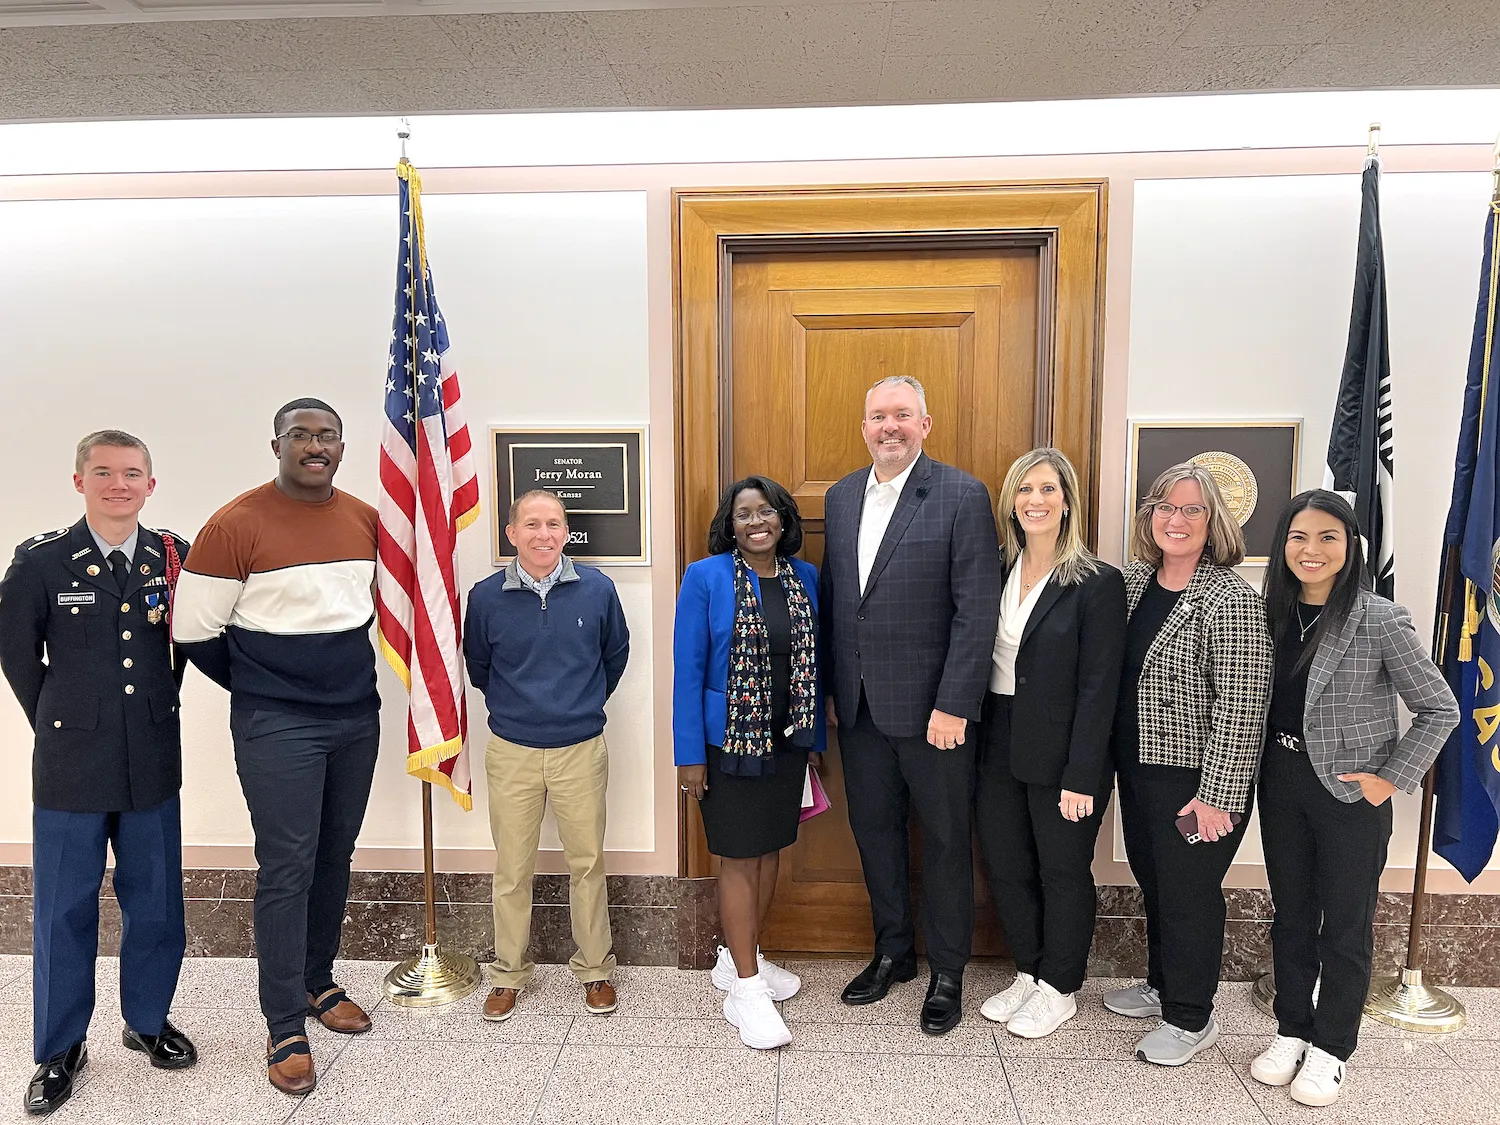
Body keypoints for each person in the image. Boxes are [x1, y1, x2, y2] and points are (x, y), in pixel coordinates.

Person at [171, 398, 379, 1096]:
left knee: (333, 853)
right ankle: (284, 1019)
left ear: (341, 448)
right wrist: (269, 683)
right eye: (300, 434)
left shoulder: (362, 517)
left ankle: (319, 982)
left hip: (356, 718)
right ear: (277, 444)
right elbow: (195, 632)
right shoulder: (235, 523)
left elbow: (368, 608)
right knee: (287, 864)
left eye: (326, 435)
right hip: (278, 724)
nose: (314, 445)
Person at [0, 431, 197, 1115]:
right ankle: (60, 1048)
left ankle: (147, 1021)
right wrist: (65, 718)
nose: (120, 484)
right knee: (62, 909)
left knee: (157, 902)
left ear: (151, 483)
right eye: (105, 472)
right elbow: (21, 658)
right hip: (70, 765)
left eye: (133, 473)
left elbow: (191, 642)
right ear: (79, 480)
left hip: (150, 758)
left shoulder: (173, 556)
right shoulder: (42, 560)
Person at [1250, 490, 1457, 1106]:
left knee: (1344, 924)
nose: (1310, 550)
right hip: (1280, 783)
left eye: (1327, 538)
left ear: (1350, 547)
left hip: (1349, 796)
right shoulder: (1269, 612)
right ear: (1283, 544)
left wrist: (1390, 779)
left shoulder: (1378, 618)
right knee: (1290, 916)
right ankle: (1291, 1029)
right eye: (1298, 537)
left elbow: (1438, 708)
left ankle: (1332, 1048)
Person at [820, 375, 1002, 1035]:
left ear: (925, 423)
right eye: (877, 416)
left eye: (901, 414)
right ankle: (893, 950)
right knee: (875, 834)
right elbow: (840, 604)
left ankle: (947, 969)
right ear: (864, 426)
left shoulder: (960, 494)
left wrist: (954, 703)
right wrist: (837, 691)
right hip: (862, 711)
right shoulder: (841, 497)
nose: (888, 426)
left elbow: (975, 609)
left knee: (949, 841)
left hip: (936, 717)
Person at [1105, 463, 1273, 1066]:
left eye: (1192, 510)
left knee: (1190, 892)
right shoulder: (1130, 584)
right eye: (1165, 507)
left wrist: (1218, 796)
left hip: (1198, 779)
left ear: (1214, 523)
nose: (1176, 519)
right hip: (1140, 767)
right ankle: (1161, 985)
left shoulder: (1230, 598)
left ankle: (1190, 1016)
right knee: (1156, 881)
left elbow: (1244, 703)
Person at [975, 448, 1127, 1039]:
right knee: (1008, 867)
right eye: (1024, 490)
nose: (1035, 501)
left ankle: (1060, 987)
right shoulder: (995, 568)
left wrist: (1082, 775)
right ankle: (1029, 972)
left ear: (1068, 501)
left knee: (1061, 871)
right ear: (1011, 502)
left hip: (1065, 749)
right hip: (997, 742)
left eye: (1047, 489)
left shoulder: (1097, 583)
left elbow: (1100, 689)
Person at [464, 490, 631, 1024]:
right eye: (531, 524)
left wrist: (577, 707)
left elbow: (615, 655)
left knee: (587, 864)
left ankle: (595, 970)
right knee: (512, 869)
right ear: (511, 534)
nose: (543, 534)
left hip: (580, 748)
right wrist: (521, 712)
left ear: (567, 532)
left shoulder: (598, 590)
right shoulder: (486, 597)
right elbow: (480, 666)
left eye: (554, 524)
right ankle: (508, 974)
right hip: (512, 750)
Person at [673, 477, 824, 1050]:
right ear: (730, 525)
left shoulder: (804, 578)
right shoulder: (705, 576)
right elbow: (687, 670)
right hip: (726, 743)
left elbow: (816, 658)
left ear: (783, 520)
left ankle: (744, 958)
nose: (756, 520)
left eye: (766, 511)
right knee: (737, 856)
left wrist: (813, 738)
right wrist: (690, 755)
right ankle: (747, 988)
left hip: (786, 740)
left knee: (768, 850)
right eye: (744, 513)